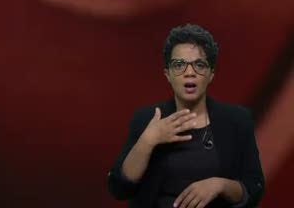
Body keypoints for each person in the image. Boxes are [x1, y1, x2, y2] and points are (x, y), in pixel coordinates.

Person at [107, 24, 265, 208]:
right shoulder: (147, 119)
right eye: (179, 65)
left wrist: (220, 184)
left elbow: (255, 189)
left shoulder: (237, 120)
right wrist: (147, 142)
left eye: (199, 65)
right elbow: (118, 188)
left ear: (211, 74)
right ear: (167, 74)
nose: (189, 73)